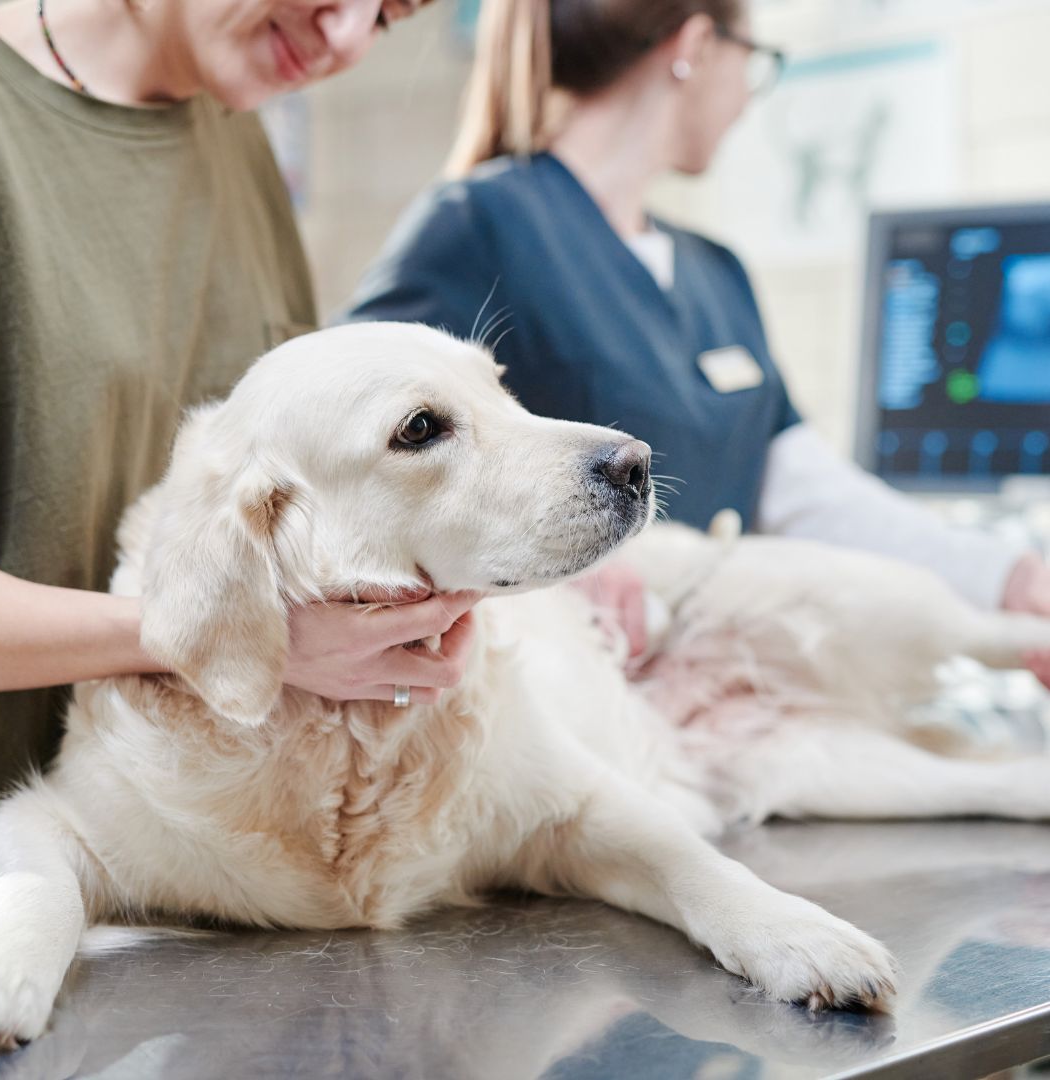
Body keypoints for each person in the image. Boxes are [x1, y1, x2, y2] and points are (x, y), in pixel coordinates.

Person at [345, 0, 1050, 681]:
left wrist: (1009, 576)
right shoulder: (477, 224)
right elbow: (343, 463)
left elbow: (804, 491)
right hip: (562, 697)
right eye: (754, 61)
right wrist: (555, 579)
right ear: (695, 48)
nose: (748, 97)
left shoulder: (717, 270)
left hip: (713, 694)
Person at [0, 0, 478, 822]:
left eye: (386, 19)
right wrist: (236, 637)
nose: (345, 39)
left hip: (184, 858)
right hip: (14, 872)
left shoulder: (236, 135)